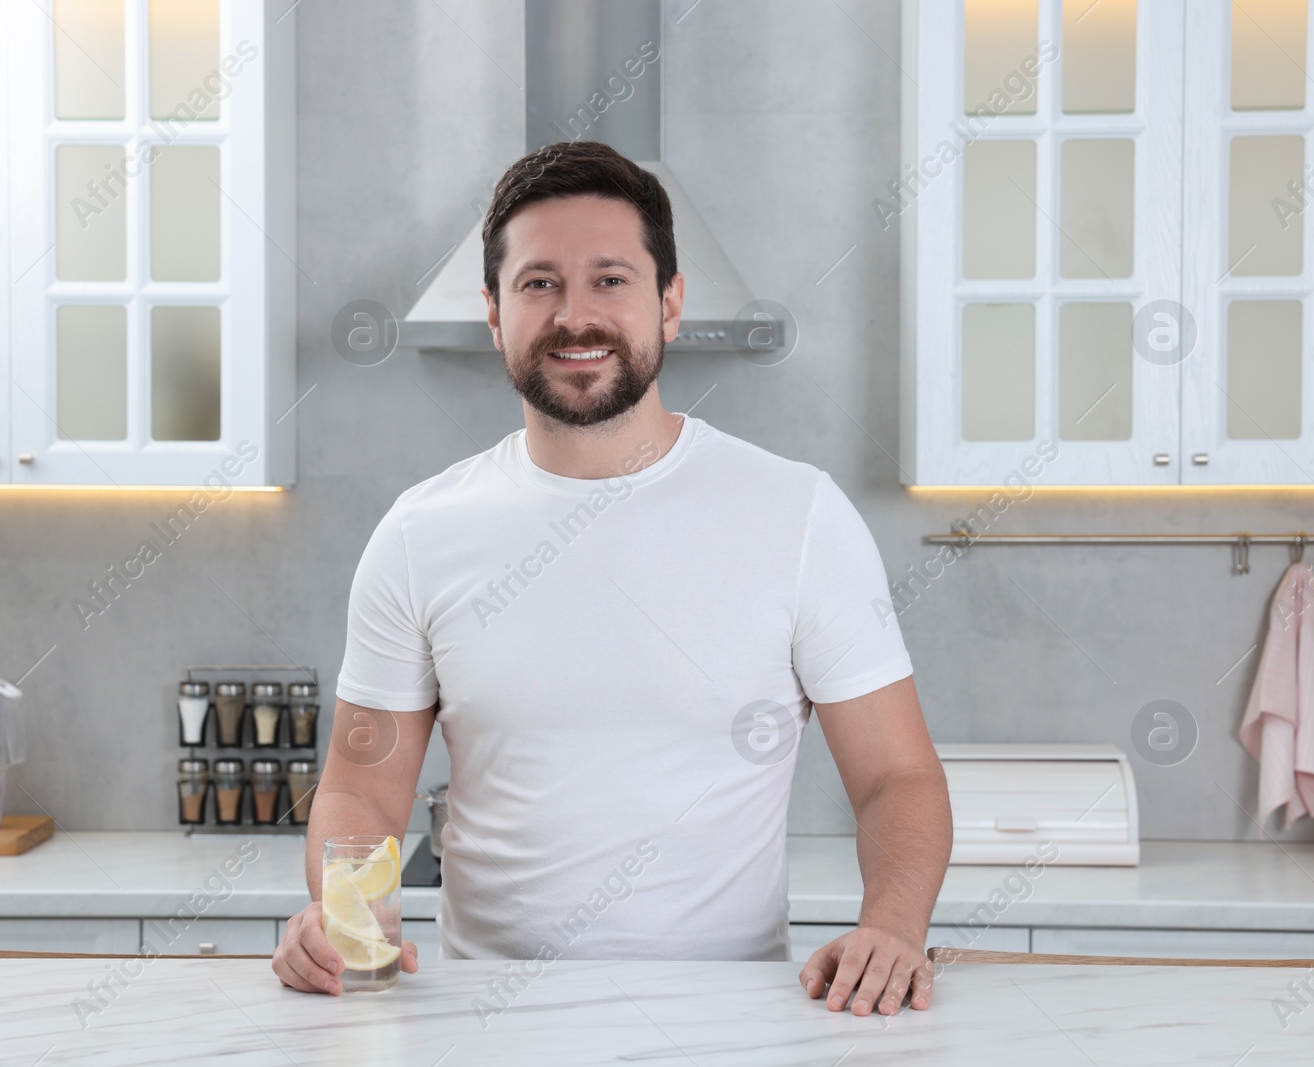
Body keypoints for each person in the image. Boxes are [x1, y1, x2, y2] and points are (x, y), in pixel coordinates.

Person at [273, 141, 952, 1016]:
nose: (574, 315)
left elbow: (898, 775)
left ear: (670, 303)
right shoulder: (419, 534)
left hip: (731, 1021)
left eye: (611, 280)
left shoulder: (799, 516)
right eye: (539, 283)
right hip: (488, 1022)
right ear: (493, 312)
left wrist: (891, 929)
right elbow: (362, 784)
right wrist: (345, 920)